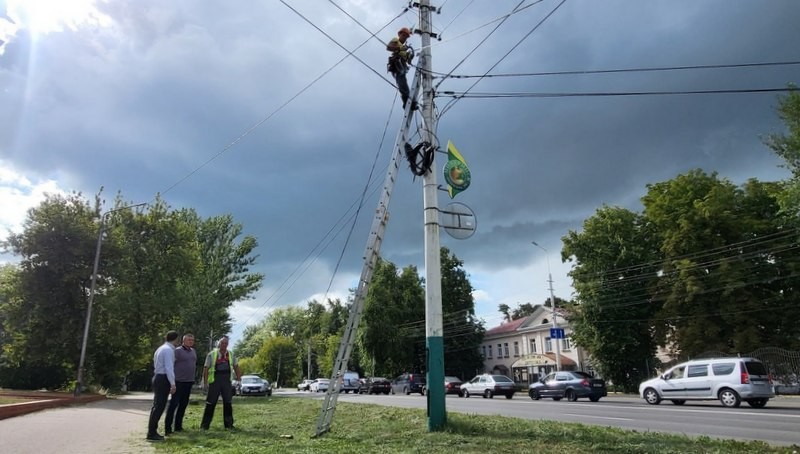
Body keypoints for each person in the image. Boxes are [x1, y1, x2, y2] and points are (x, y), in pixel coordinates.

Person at [200, 336, 242, 430]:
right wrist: (205, 382)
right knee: (210, 403)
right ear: (219, 344)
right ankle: (204, 426)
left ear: (227, 344)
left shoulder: (231, 354)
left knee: (228, 402)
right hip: (215, 381)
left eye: (226, 343)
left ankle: (229, 425)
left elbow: (236, 367)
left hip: (226, 381)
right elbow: (206, 368)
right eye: (222, 343)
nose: (224, 345)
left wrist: (239, 380)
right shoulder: (212, 354)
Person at [147, 330, 180, 442]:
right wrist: (173, 383)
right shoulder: (168, 350)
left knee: (157, 405)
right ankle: (152, 433)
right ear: (175, 339)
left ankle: (152, 431)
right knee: (159, 406)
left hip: (158, 376)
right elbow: (169, 368)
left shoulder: (161, 348)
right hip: (163, 378)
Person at [165, 333, 197, 435]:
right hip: (178, 382)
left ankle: (178, 427)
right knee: (173, 405)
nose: (191, 342)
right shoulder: (177, 351)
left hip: (189, 382)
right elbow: (170, 365)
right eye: (189, 340)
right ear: (183, 341)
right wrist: (171, 382)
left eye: (192, 340)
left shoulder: (193, 351)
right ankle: (168, 428)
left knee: (183, 405)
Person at [387, 27, 416, 110]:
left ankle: (408, 102)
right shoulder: (396, 40)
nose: (404, 37)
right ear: (399, 34)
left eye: (406, 36)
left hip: (402, 65)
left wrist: (410, 56)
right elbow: (389, 47)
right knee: (402, 83)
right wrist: (400, 48)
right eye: (403, 35)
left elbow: (409, 62)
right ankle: (408, 102)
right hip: (397, 64)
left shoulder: (405, 49)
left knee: (403, 84)